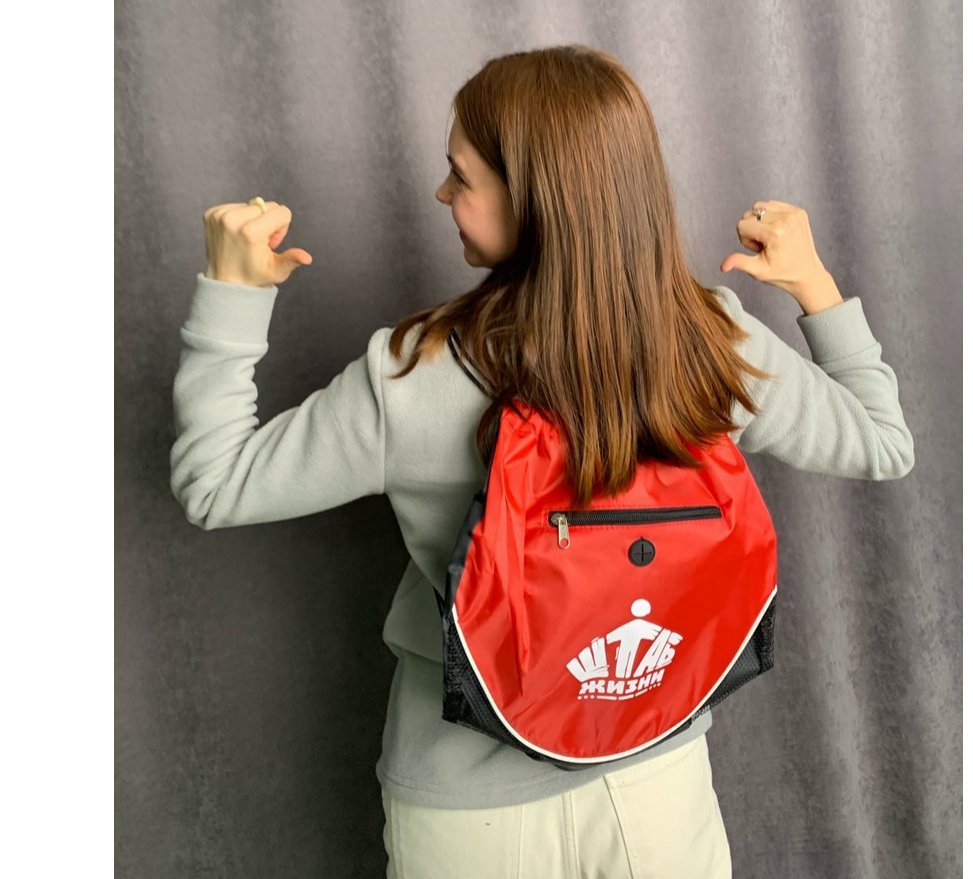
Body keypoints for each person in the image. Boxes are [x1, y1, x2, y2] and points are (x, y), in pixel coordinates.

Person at [171, 44, 914, 879]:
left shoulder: (411, 373)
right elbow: (883, 442)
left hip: (466, 803)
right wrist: (812, 282)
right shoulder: (715, 341)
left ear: (534, 199)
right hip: (656, 776)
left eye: (460, 177)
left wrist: (232, 292)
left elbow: (213, 483)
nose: (441, 194)